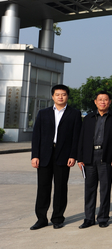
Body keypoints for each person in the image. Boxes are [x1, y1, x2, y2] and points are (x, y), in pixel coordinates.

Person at [30, 84, 82, 230]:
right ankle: (41, 219)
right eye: (57, 94)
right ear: (52, 96)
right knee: (43, 188)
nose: (60, 97)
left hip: (64, 156)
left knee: (60, 188)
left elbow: (76, 137)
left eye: (63, 94)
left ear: (67, 96)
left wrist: (73, 155)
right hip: (44, 155)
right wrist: (35, 155)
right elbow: (36, 136)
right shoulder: (43, 113)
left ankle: (58, 218)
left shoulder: (74, 114)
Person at [77, 91, 112, 229]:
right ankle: (89, 218)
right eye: (100, 99)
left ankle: (103, 218)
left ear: (110, 102)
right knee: (89, 189)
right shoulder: (88, 118)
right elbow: (81, 138)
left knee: (105, 189)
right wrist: (80, 158)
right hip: (89, 157)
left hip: (106, 156)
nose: (103, 102)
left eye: (105, 99)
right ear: (95, 102)